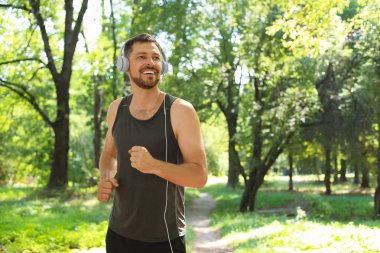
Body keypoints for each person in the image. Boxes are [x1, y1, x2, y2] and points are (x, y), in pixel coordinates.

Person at [97, 33, 208, 253]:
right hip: (118, 234)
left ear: (163, 66)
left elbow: (199, 176)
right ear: (125, 64)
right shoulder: (116, 109)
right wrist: (106, 178)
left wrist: (154, 165)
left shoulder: (179, 111)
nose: (151, 62)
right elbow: (109, 154)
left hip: (164, 240)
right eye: (142, 57)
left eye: (156, 58)